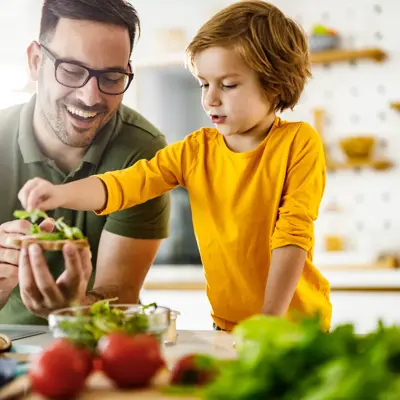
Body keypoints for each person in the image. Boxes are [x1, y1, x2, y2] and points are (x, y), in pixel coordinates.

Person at [19, 0, 332, 331]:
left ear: (275, 84)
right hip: (227, 325)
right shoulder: (196, 150)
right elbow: (126, 184)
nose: (210, 99)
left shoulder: (298, 142)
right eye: (204, 83)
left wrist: (270, 318)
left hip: (294, 325)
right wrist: (59, 194)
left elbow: (292, 236)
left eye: (228, 85)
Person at [0, 0, 170, 324]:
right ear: (36, 61)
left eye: (111, 77)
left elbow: (119, 297)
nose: (91, 97)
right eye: (72, 70)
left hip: (93, 349)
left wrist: (77, 307)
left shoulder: (143, 153)